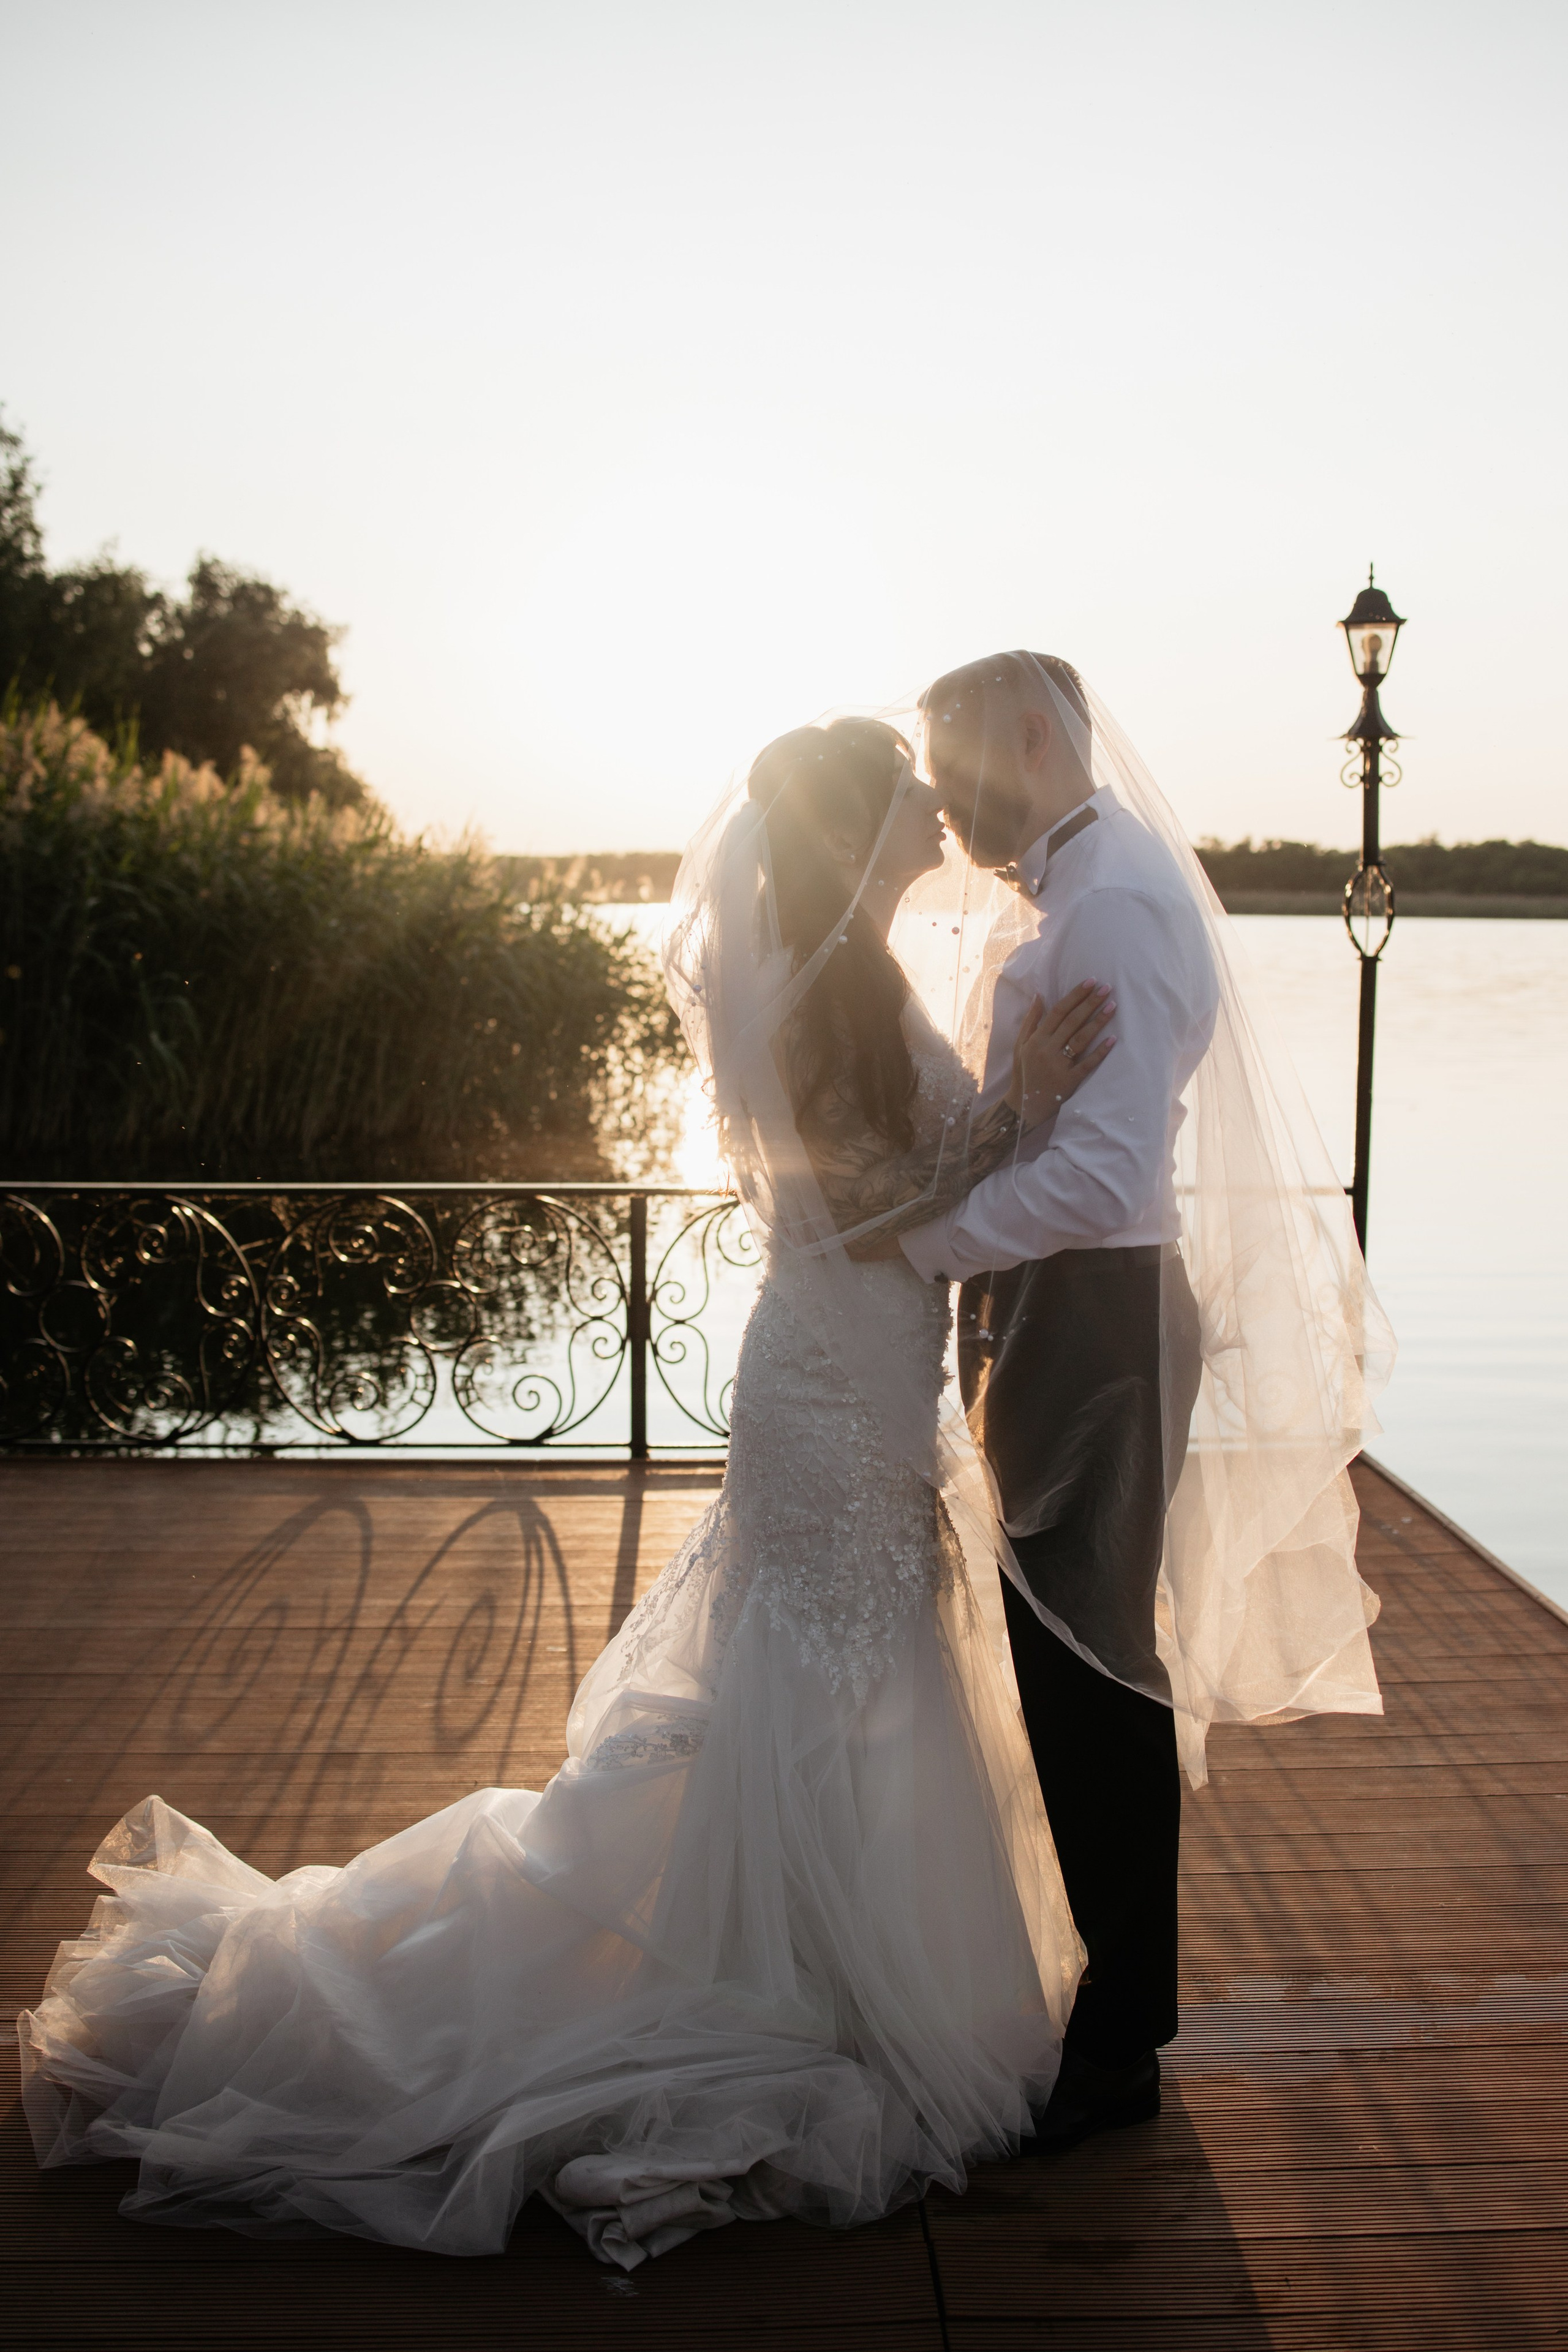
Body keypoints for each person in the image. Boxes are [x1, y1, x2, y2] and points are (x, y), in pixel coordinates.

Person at [18, 718, 1112, 2271]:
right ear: (860, 829)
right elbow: (866, 1215)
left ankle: (816, 1957)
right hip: (831, 1371)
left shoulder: (840, 973)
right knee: (827, 1655)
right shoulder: (825, 991)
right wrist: (1024, 1104)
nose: (939, 818)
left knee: (846, 1663)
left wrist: (1006, 1103)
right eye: (912, 800)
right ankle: (785, 1979)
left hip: (857, 1369)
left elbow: (890, 1194)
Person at [882, 650, 1391, 2149]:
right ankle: (1108, 2009)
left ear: (1030, 738)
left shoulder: (1108, 903)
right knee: (1068, 1665)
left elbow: (1101, 1178)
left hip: (1094, 1326)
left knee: (1093, 1672)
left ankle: (1119, 2045)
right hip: (1064, 1316)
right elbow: (1061, 1140)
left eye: (950, 761)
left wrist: (917, 1253)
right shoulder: (1083, 889)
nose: (937, 798)